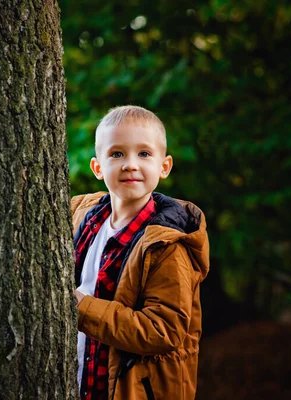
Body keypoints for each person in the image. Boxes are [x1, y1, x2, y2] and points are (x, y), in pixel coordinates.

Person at [71, 105, 210, 400]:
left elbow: (164, 330)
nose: (130, 164)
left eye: (144, 154)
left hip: (131, 389)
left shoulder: (168, 244)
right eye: (117, 154)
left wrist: (80, 308)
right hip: (78, 379)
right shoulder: (81, 218)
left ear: (164, 166)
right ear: (97, 167)